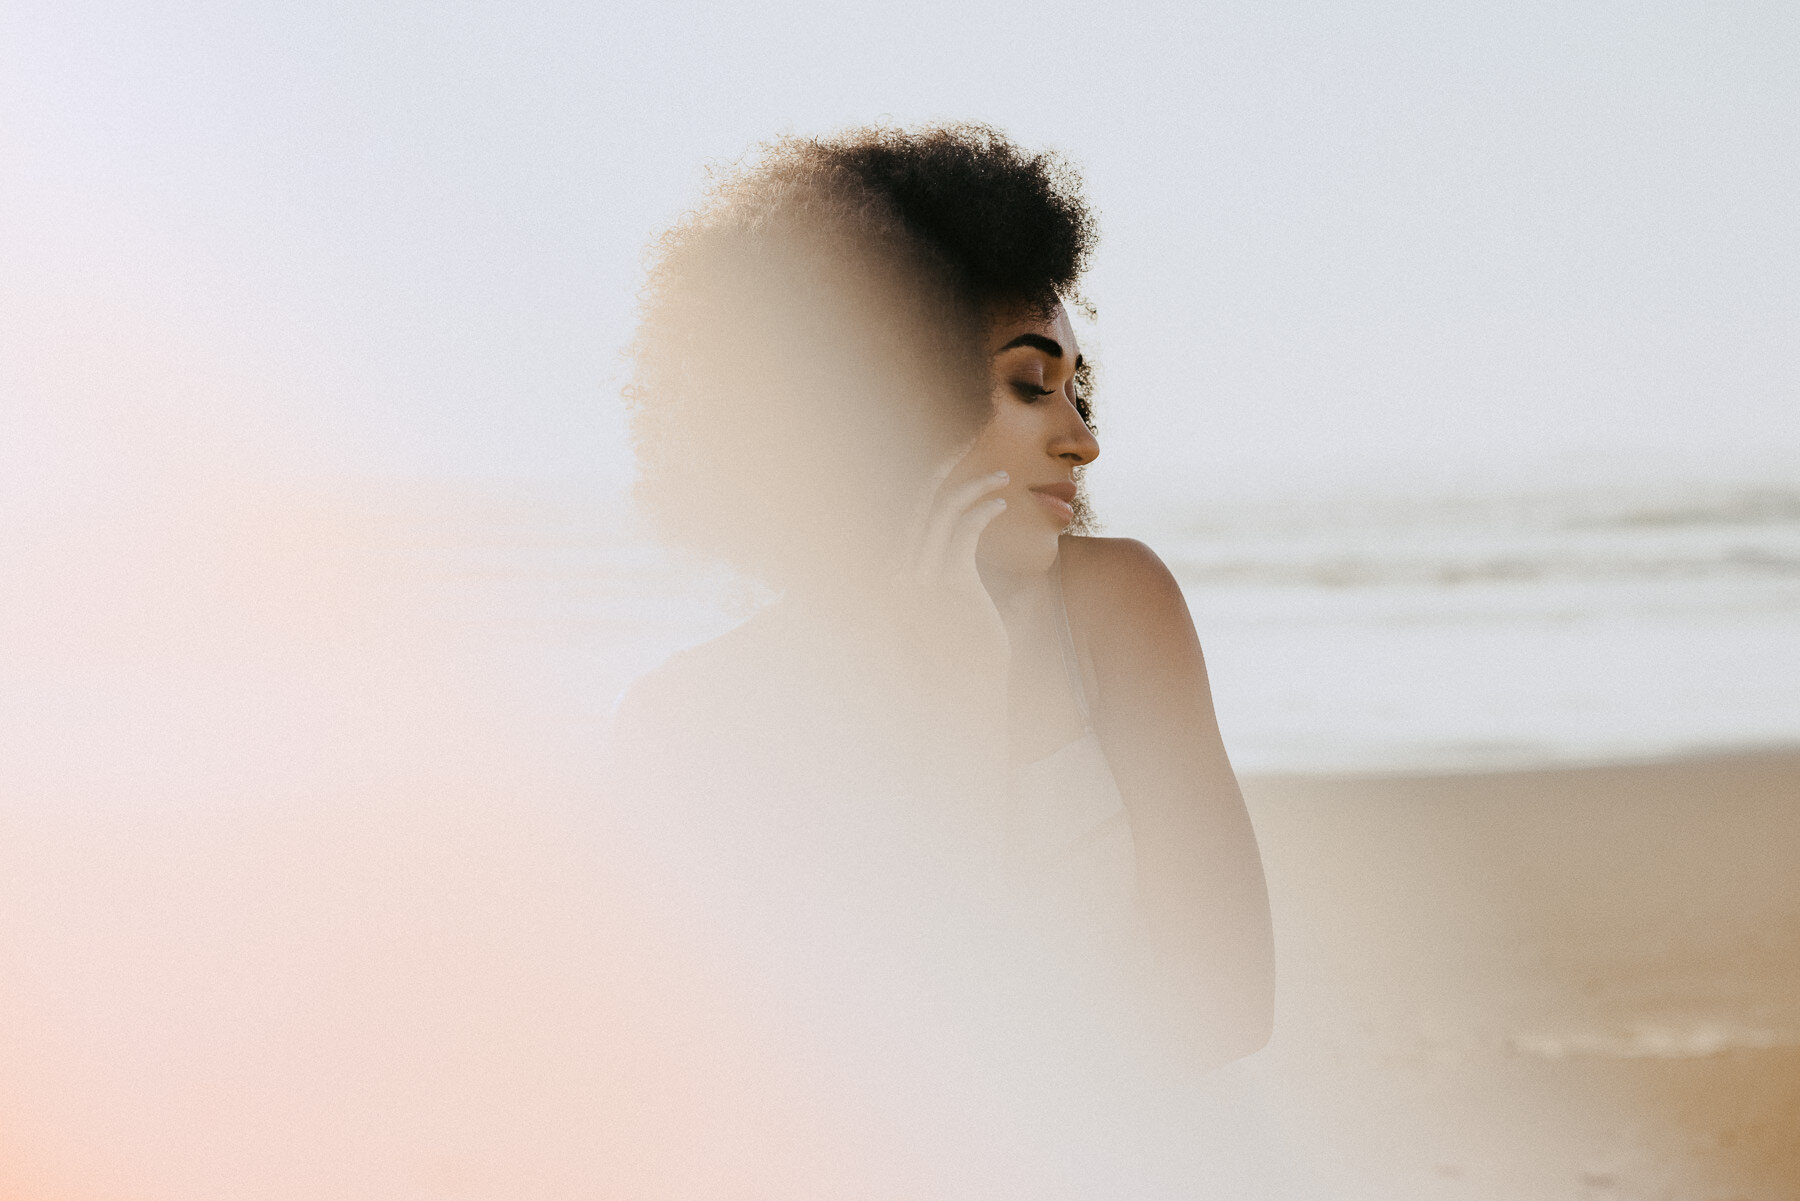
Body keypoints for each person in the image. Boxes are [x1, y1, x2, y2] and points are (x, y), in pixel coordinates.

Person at [609, 123, 1281, 1196]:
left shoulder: (1116, 609)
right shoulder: (694, 718)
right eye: (1031, 386)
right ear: (884, 396)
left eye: (1079, 389)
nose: (1082, 438)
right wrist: (962, 703)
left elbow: (1229, 1008)